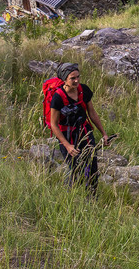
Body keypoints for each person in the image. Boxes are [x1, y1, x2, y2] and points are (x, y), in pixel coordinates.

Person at [47, 64, 110, 194]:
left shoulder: (83, 90)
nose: (76, 80)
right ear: (64, 79)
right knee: (75, 168)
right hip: (67, 135)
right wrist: (67, 146)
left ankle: (92, 197)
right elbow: (54, 124)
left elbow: (92, 113)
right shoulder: (58, 97)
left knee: (92, 167)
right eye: (72, 78)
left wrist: (104, 133)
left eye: (78, 77)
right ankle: (72, 195)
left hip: (85, 132)